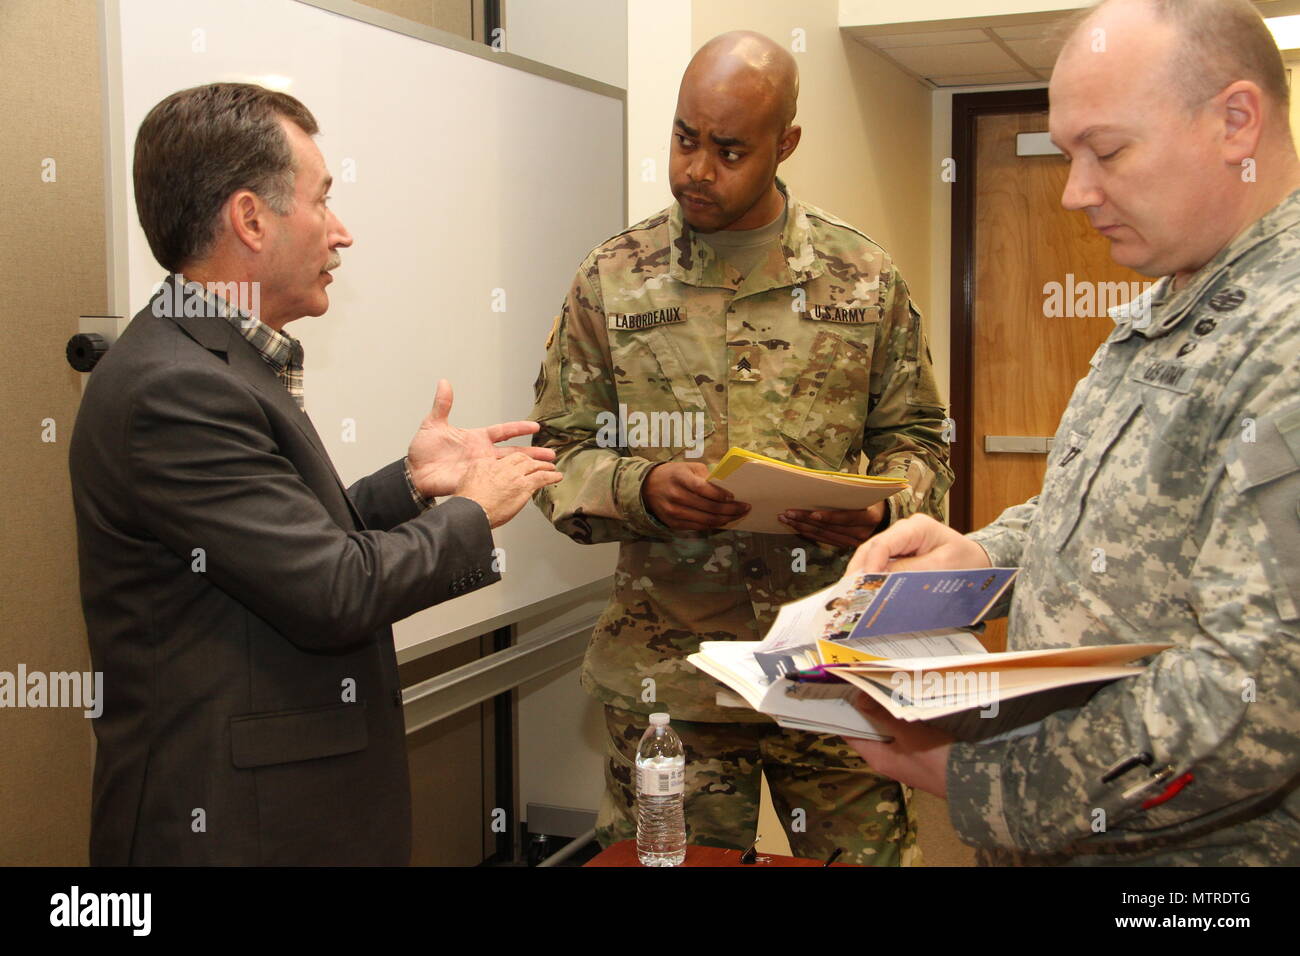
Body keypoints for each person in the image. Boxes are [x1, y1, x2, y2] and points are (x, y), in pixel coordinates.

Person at [841, 0, 1300, 865]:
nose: (1076, 192)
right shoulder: (1171, 305)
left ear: (1237, 121)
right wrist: (981, 558)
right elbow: (1110, 522)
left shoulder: (1287, 336)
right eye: (1067, 154)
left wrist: (977, 781)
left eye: (1109, 151)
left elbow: (1257, 694)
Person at [69, 83, 561, 865]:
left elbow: (288, 551)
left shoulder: (215, 359)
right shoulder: (177, 386)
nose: (342, 233)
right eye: (323, 200)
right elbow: (334, 592)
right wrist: (470, 511)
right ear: (251, 219)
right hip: (234, 828)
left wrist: (408, 485)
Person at [530, 32, 952, 864]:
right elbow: (557, 452)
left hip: (832, 670)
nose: (696, 169)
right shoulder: (613, 278)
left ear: (784, 145)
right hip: (672, 682)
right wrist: (640, 490)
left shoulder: (862, 276)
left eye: (728, 150)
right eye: (685, 138)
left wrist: (879, 508)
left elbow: (922, 448)